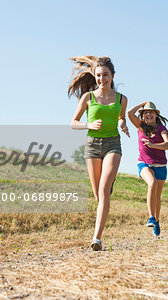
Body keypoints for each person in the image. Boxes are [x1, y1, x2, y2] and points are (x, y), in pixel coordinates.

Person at [69, 56, 130, 251]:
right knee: (98, 195)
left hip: (113, 144)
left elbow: (121, 118)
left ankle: (97, 238)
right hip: (92, 146)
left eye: (105, 75)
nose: (101, 79)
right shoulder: (88, 97)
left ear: (112, 76)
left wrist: (123, 124)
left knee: (103, 190)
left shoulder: (121, 99)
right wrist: (89, 124)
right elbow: (73, 122)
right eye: (98, 75)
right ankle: (107, 190)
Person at [128, 101, 168, 236]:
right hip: (144, 163)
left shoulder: (161, 129)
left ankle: (157, 221)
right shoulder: (140, 126)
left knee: (157, 197)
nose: (148, 114)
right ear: (142, 116)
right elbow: (129, 113)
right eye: (145, 112)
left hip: (160, 165)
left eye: (151, 112)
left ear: (156, 115)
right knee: (151, 183)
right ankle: (151, 217)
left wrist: (153, 145)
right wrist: (142, 104)